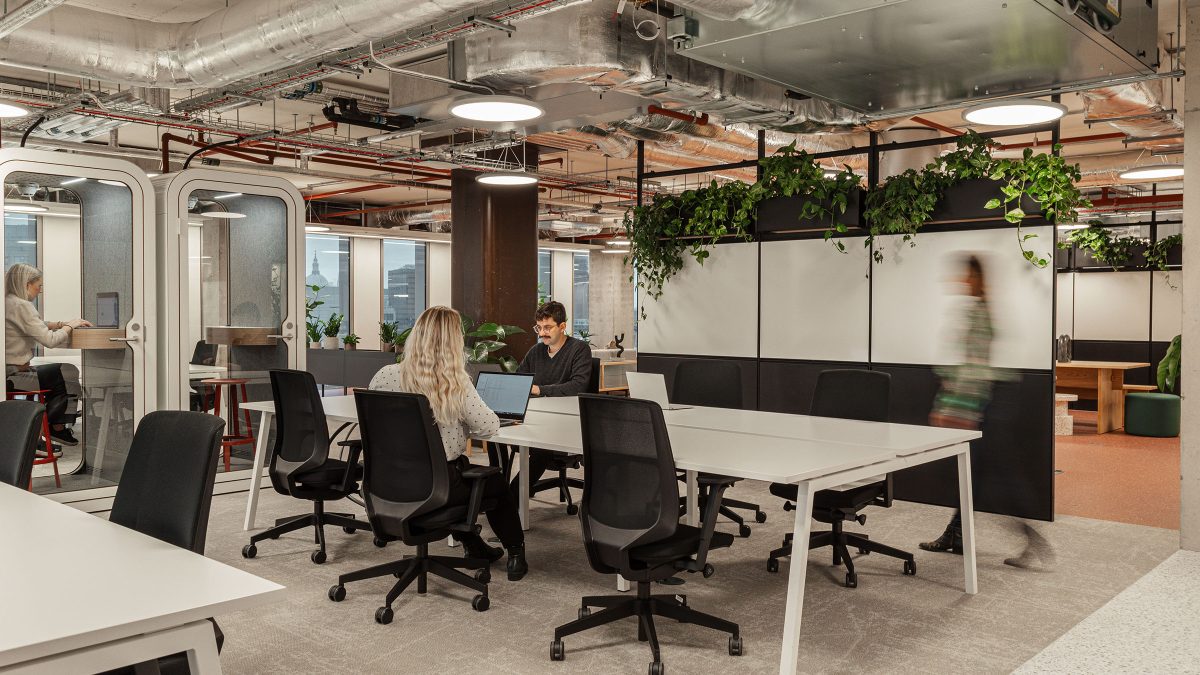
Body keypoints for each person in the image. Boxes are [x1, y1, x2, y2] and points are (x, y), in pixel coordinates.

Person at [369, 305, 528, 581]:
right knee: (495, 484)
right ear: (452, 343)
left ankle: (474, 545)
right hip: (438, 490)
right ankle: (516, 552)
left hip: (389, 486)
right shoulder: (454, 383)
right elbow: (488, 424)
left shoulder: (385, 374)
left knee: (462, 477)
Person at [918, 255, 1055, 570]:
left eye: (966, 276)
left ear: (976, 278)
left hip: (989, 404)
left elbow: (974, 370)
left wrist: (950, 407)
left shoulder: (980, 315)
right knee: (974, 475)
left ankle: (1034, 543)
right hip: (992, 400)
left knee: (998, 479)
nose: (961, 281)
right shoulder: (980, 310)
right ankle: (956, 535)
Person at [508, 300, 592, 497]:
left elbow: (578, 386)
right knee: (496, 436)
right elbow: (520, 381)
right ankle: (496, 494)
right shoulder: (536, 351)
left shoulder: (579, 350)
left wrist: (539, 389)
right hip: (536, 417)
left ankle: (511, 496)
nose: (541, 332)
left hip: (566, 420)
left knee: (540, 448)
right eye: (539, 327)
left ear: (562, 326)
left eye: (548, 327)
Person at [4, 263, 91, 446]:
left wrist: (60, 323)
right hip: (15, 375)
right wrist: (70, 326)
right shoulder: (22, 305)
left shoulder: (6, 302)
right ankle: (53, 429)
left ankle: (47, 429)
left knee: (59, 373)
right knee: (68, 373)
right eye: (39, 286)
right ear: (26, 284)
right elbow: (50, 341)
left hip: (6, 372)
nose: (40, 291)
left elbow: (34, 324)